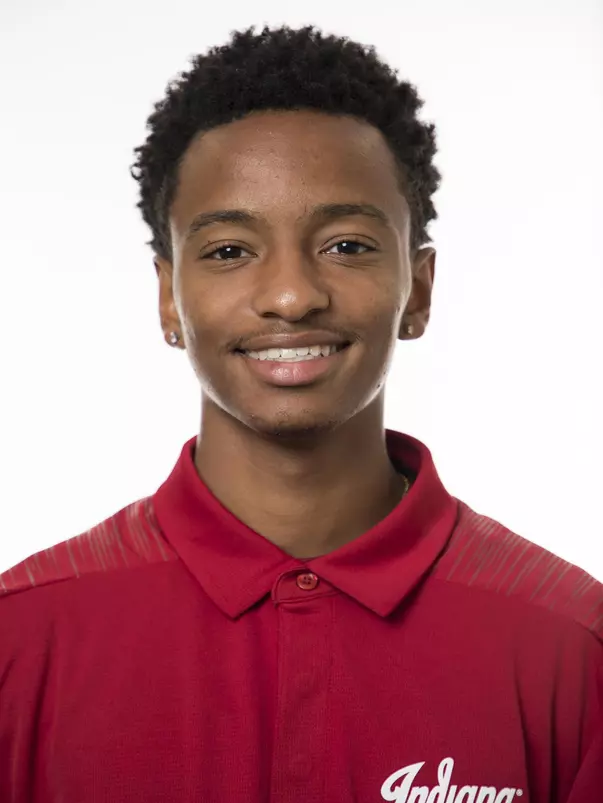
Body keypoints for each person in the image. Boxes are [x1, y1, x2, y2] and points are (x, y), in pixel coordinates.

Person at [1, 23, 601, 803]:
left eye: (347, 245)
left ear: (416, 289)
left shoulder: (567, 643)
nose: (291, 295)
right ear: (166, 295)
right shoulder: (24, 642)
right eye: (227, 251)